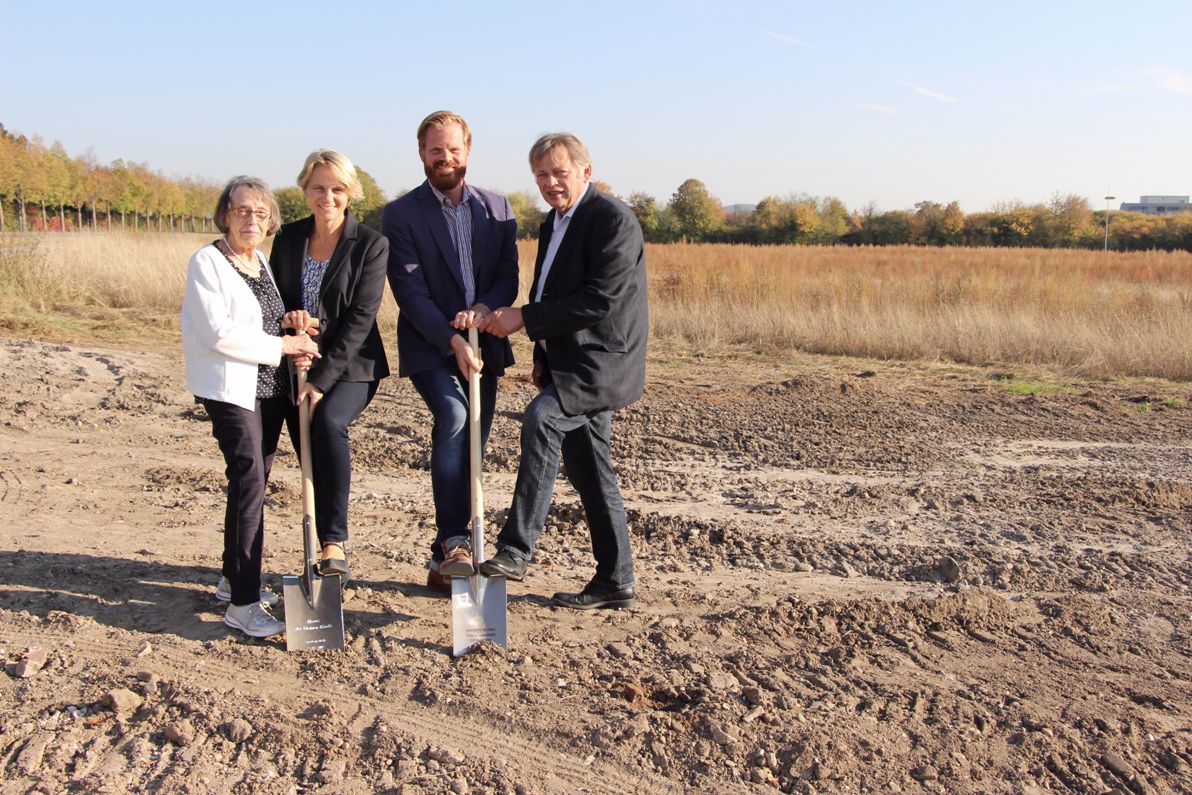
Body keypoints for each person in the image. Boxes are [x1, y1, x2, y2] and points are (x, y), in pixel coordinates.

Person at [476, 133, 648, 610]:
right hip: (568, 363)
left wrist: (523, 319)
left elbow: (600, 300)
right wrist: (542, 357)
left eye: (560, 173)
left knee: (542, 420)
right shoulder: (553, 222)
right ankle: (615, 579)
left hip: (605, 361)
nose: (551, 183)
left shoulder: (612, 219)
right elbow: (549, 287)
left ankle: (515, 550)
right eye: (542, 176)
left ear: (585, 172)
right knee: (590, 470)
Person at [381, 111, 519, 592]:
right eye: (436, 150)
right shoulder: (400, 216)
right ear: (421, 153)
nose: (445, 158)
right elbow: (410, 291)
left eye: (453, 149)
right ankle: (453, 540)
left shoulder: (498, 208)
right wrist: (452, 337)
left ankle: (451, 562)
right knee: (456, 419)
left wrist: (483, 309)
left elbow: (507, 275)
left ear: (468, 150)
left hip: (486, 343)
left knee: (474, 442)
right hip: (431, 344)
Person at [181, 176, 320, 638]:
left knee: (250, 481)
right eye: (242, 211)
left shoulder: (259, 261)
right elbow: (219, 333)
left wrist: (294, 328)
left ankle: (230, 578)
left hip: (268, 390)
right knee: (249, 482)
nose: (251, 220)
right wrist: (284, 345)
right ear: (225, 214)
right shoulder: (209, 262)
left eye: (260, 213)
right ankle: (242, 603)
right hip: (230, 390)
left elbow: (263, 318)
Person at [272, 149, 389, 582]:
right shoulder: (287, 237)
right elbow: (278, 298)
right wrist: (291, 322)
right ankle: (318, 544)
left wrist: (321, 379)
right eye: (319, 187)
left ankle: (334, 542)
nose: (328, 197)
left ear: (350, 193)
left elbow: (361, 318)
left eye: (337, 189)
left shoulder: (372, 244)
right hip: (296, 356)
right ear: (305, 188)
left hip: (353, 363)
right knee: (305, 443)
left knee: (327, 423)